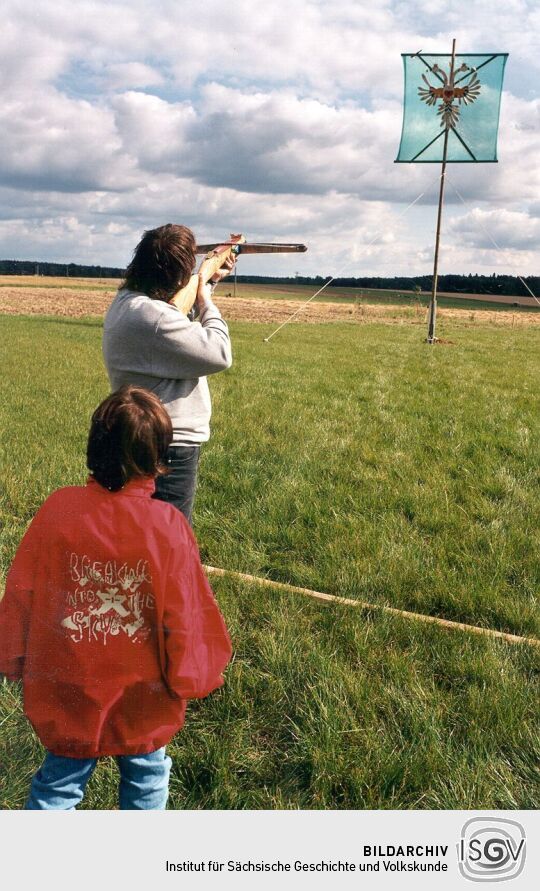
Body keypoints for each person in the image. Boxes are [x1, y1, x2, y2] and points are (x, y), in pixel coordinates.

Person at [0, 385, 232, 810]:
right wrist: (191, 671)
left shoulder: (59, 510)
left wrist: (13, 654)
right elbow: (185, 612)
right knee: (146, 775)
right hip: (143, 689)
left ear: (95, 446)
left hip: (69, 683)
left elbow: (21, 591)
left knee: (59, 782)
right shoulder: (166, 526)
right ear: (159, 458)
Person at [102, 223, 234, 525]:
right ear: (177, 275)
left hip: (139, 435)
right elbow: (219, 353)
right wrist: (206, 300)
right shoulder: (153, 317)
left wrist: (208, 280)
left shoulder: (128, 303)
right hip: (169, 444)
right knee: (166, 539)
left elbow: (173, 321)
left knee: (138, 533)